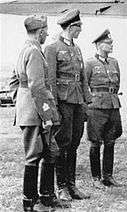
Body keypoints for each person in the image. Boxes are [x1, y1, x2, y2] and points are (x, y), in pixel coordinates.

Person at [15, 15, 64, 211]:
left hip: (31, 110)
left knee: (50, 151)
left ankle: (46, 196)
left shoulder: (27, 49)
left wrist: (20, 101)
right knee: (33, 156)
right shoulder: (34, 51)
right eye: (46, 31)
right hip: (35, 113)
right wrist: (47, 116)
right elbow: (36, 87)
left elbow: (16, 82)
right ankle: (30, 202)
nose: (47, 34)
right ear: (41, 31)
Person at [44, 9, 92, 202]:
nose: (80, 30)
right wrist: (54, 106)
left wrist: (87, 102)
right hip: (62, 102)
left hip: (77, 102)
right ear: (71, 27)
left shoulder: (77, 48)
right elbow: (51, 79)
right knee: (63, 144)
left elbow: (82, 79)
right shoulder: (52, 48)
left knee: (74, 143)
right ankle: (61, 186)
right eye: (79, 27)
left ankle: (72, 185)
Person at [85, 29, 122, 188]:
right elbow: (84, 85)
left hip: (113, 105)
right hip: (96, 107)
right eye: (108, 43)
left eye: (111, 42)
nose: (111, 45)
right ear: (99, 45)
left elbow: (116, 83)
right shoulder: (89, 63)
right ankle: (96, 178)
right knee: (95, 142)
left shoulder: (114, 62)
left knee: (111, 141)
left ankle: (108, 176)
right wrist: (87, 106)